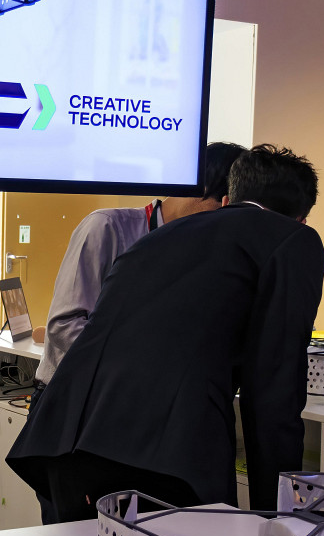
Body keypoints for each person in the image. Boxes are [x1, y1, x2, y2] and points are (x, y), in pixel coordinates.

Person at [6, 144, 324, 521]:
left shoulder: (159, 236)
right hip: (165, 457)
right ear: (301, 220)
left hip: (64, 445)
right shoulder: (292, 240)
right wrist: (278, 517)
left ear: (229, 198)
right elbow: (274, 389)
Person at [35, 142, 245, 387]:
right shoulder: (107, 227)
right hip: (72, 395)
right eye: (225, 209)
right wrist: (145, 363)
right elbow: (63, 326)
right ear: (202, 189)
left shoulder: (199, 251)